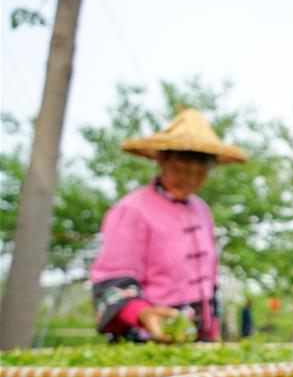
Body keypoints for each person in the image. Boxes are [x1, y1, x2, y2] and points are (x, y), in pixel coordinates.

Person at [89, 108, 247, 343]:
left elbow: (209, 281)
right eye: (182, 168)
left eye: (200, 171)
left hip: (195, 339)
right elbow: (114, 278)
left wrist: (211, 328)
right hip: (147, 339)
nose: (190, 178)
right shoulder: (132, 209)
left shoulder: (202, 211)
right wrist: (142, 314)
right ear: (163, 159)